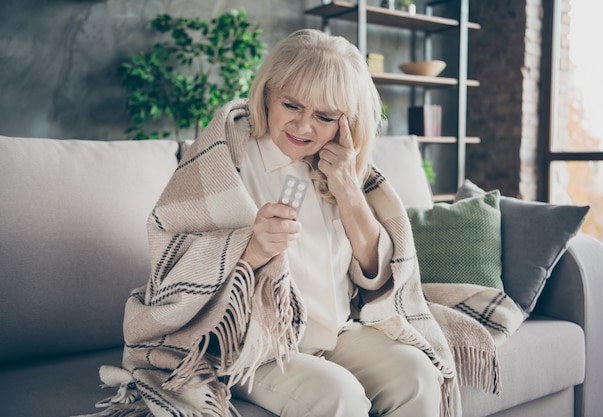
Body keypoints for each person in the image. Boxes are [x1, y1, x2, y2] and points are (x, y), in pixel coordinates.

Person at [83, 29, 461, 417]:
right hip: (254, 346)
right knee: (340, 395)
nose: (304, 127)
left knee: (416, 374)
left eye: (325, 116)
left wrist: (347, 189)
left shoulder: (344, 170)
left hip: (337, 332)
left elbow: (376, 275)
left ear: (346, 123)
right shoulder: (226, 159)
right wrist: (253, 247)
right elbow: (174, 259)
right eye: (292, 105)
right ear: (267, 94)